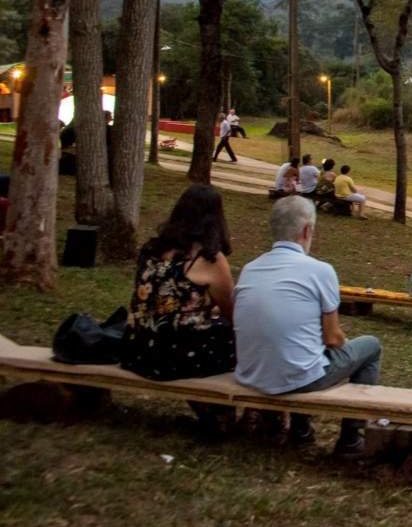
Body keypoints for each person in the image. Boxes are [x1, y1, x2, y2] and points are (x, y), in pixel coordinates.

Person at [234, 196, 382, 456]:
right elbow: (333, 338)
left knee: (305, 352)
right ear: (306, 231)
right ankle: (350, 439)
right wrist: (340, 344)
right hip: (296, 377)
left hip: (252, 374)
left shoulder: (250, 269)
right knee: (370, 347)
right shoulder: (319, 270)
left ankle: (301, 431)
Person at [120, 185, 237, 391]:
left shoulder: (151, 250)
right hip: (173, 357)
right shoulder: (209, 259)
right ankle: (227, 413)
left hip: (138, 347)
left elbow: (158, 298)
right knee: (239, 338)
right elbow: (233, 312)